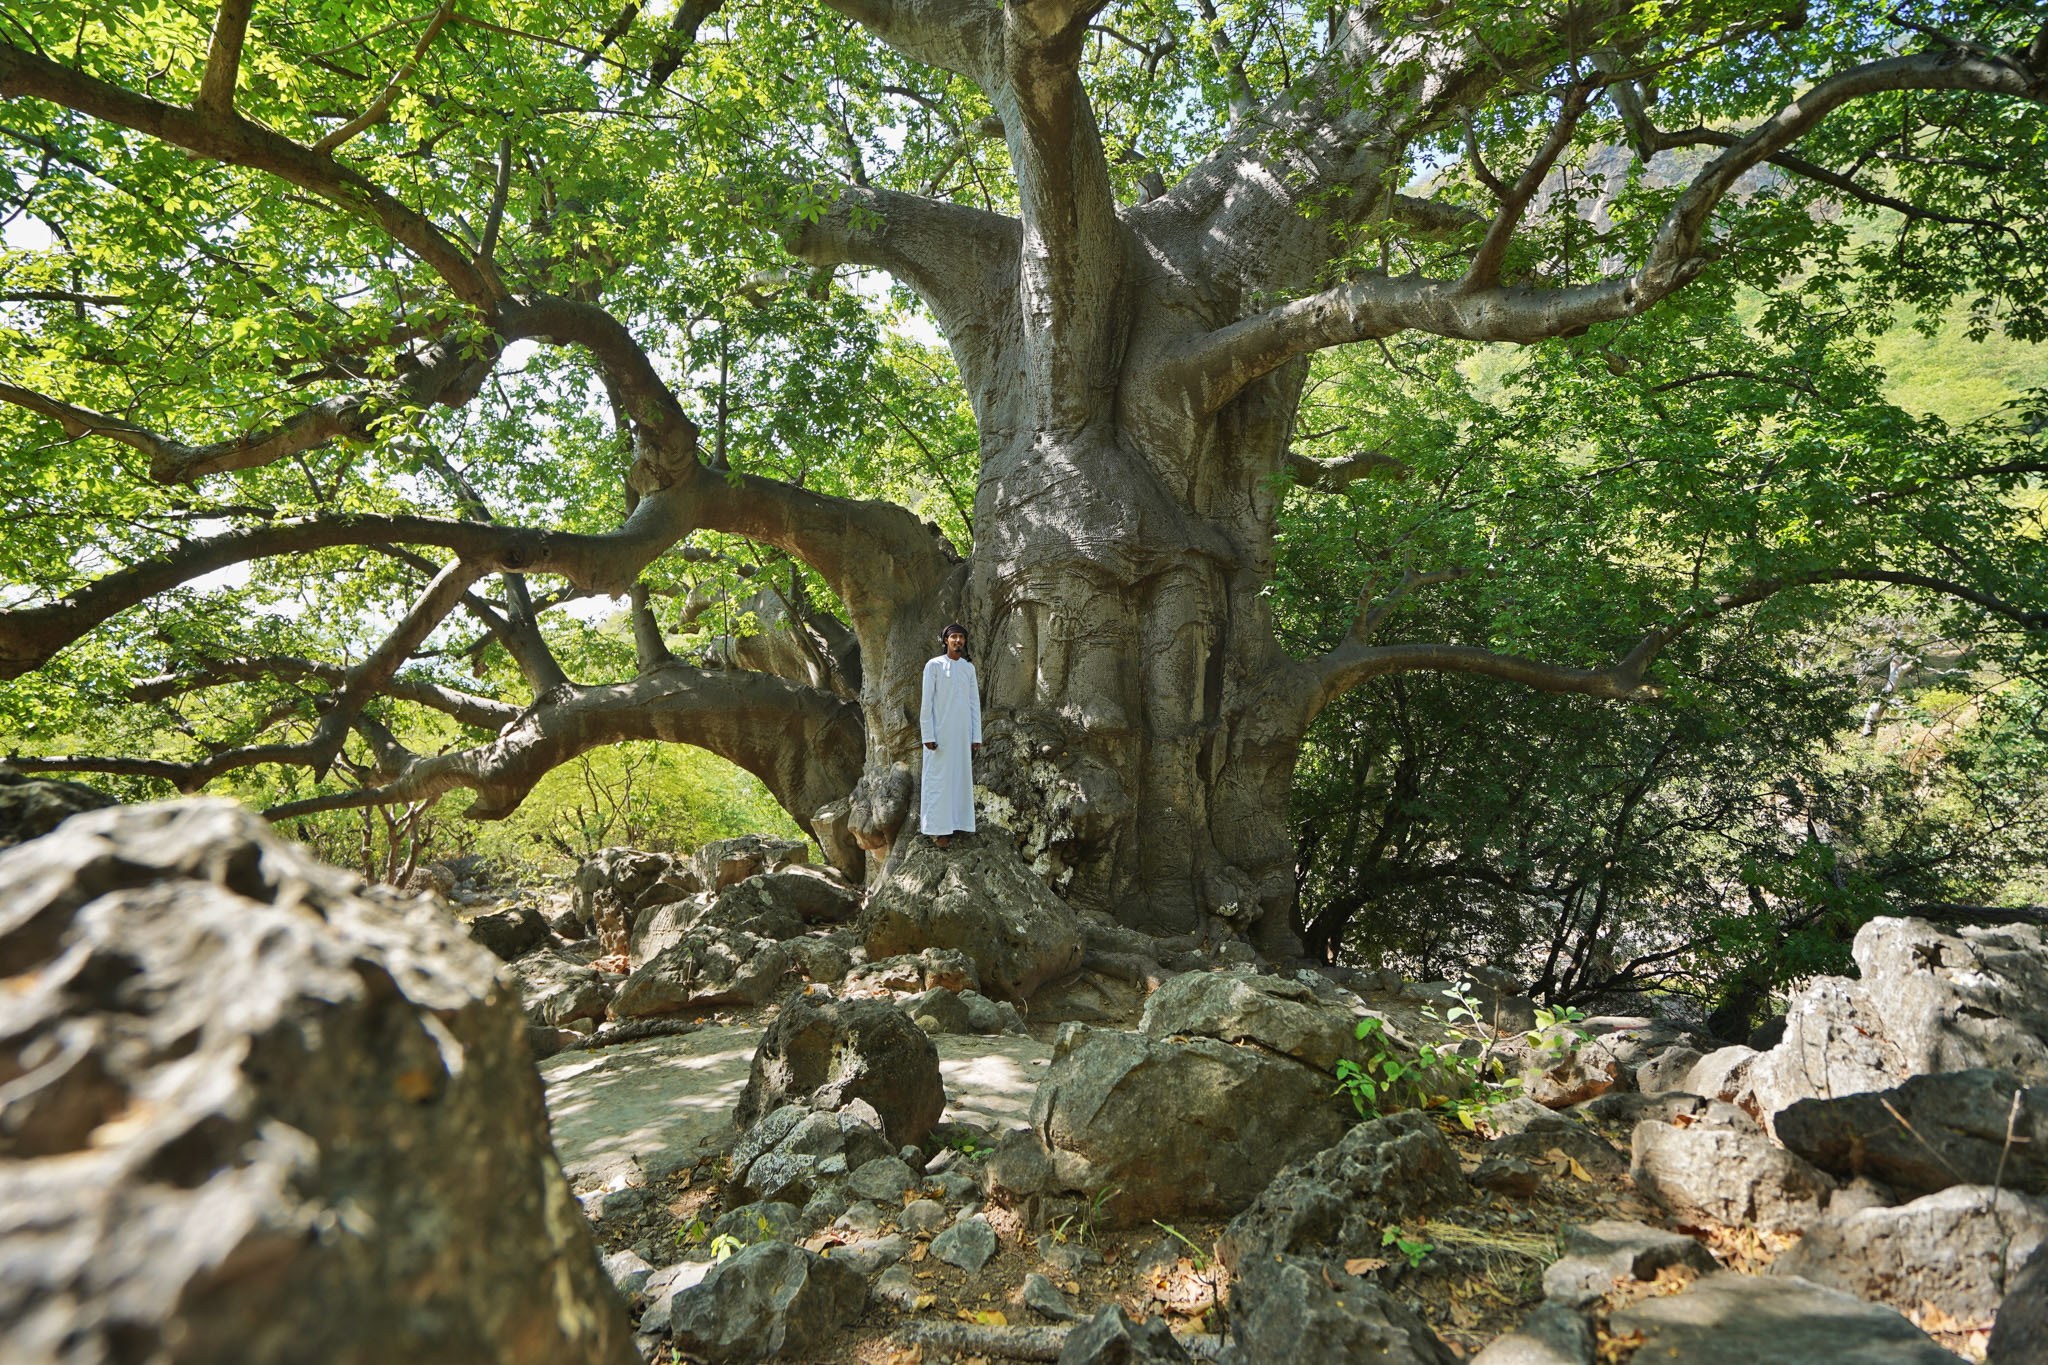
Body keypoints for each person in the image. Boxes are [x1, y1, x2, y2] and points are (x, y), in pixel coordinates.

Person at [920, 622, 982, 847]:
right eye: (954, 637)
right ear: (946, 640)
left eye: (961, 638)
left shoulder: (968, 668)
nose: (958, 641)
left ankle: (959, 824)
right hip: (940, 736)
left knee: (960, 780)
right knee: (939, 781)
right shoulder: (934, 666)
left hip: (963, 735)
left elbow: (974, 703)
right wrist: (927, 733)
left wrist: (976, 736)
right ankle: (939, 831)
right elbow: (926, 703)